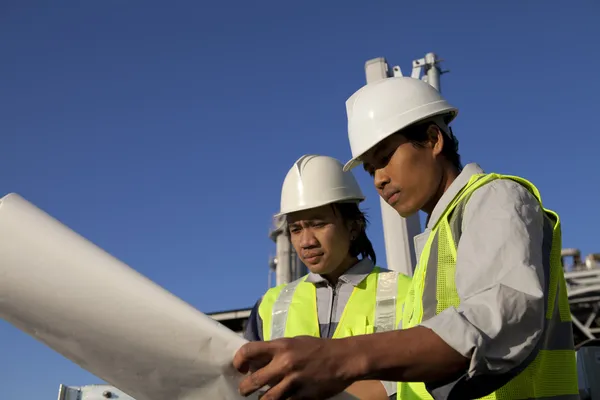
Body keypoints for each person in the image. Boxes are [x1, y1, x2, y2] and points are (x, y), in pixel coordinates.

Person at [233, 77, 579, 400]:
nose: (379, 180)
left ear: (433, 139)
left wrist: (339, 356)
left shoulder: (495, 197)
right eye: (371, 170)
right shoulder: (437, 241)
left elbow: (498, 320)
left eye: (384, 159)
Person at [243, 154, 412, 400]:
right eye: (296, 229)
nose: (306, 242)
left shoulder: (408, 291)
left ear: (353, 227)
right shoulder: (268, 307)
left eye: (318, 224)